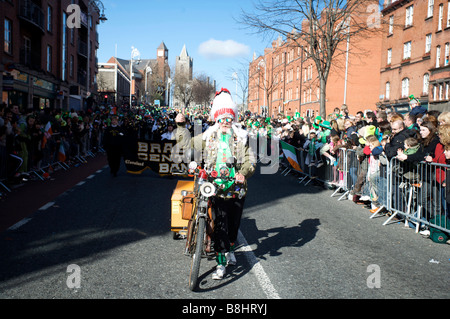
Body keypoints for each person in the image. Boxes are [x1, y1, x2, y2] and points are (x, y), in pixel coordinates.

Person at [188, 88, 256, 280]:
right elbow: (189, 144)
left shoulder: (241, 139)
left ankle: (231, 249)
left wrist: (243, 173)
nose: (226, 122)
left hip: (236, 189)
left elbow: (250, 161)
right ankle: (220, 263)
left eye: (229, 119)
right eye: (222, 118)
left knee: (233, 225)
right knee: (220, 224)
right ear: (217, 119)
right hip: (215, 188)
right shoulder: (209, 137)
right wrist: (180, 126)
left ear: (233, 120)